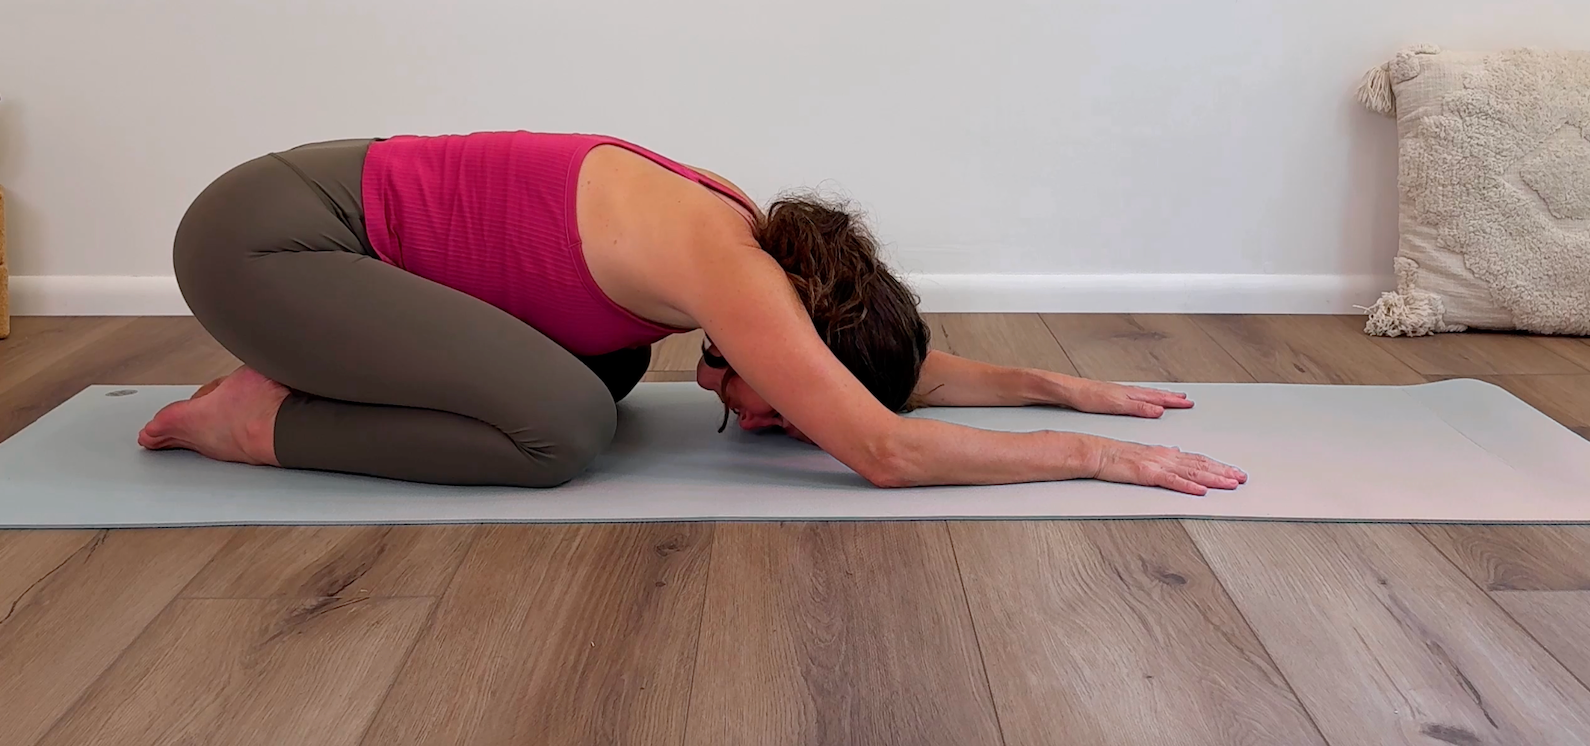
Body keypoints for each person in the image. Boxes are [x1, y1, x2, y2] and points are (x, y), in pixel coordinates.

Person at [139, 133, 1245, 494]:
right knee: (564, 427)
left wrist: (1054, 381)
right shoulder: (736, 278)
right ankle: (256, 424)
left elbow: (887, 376)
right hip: (267, 244)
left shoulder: (762, 253)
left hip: (309, 231)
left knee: (608, 373)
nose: (764, 418)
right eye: (786, 402)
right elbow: (887, 448)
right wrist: (1088, 454)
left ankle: (307, 380)